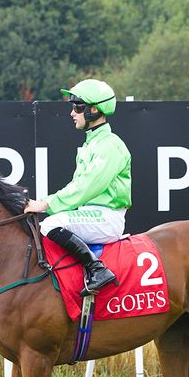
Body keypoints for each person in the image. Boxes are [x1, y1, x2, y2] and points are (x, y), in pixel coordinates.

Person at [24, 78, 132, 297]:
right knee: (48, 225)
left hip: (107, 218)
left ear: (95, 110)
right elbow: (78, 188)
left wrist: (45, 204)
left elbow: (85, 188)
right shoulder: (92, 143)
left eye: (78, 107)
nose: (72, 113)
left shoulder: (109, 145)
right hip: (92, 214)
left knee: (51, 224)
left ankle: (98, 270)